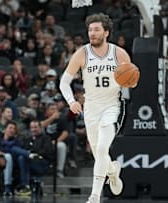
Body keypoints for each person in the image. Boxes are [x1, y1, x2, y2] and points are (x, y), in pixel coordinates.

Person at [59, 13, 137, 203]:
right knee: (98, 153)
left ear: (106, 32)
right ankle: (112, 171)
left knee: (102, 148)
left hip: (113, 106)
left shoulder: (119, 54)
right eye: (90, 30)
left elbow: (131, 81)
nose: (92, 33)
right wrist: (72, 102)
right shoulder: (82, 53)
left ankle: (94, 196)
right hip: (91, 109)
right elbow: (64, 82)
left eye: (96, 30)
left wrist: (131, 81)